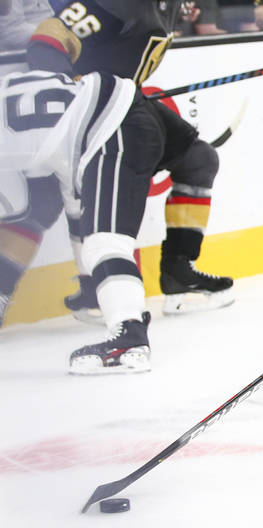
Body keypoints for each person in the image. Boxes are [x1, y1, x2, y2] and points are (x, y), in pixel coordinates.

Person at [24, 0, 235, 321]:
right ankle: (95, 289)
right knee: (118, 189)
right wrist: (71, 87)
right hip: (95, 109)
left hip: (126, 100)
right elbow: (49, 38)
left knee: (198, 158)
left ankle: (178, 273)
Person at [0, 69, 164, 373]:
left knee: (103, 239)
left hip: (109, 127)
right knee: (80, 222)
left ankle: (129, 334)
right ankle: (107, 301)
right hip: (119, 102)